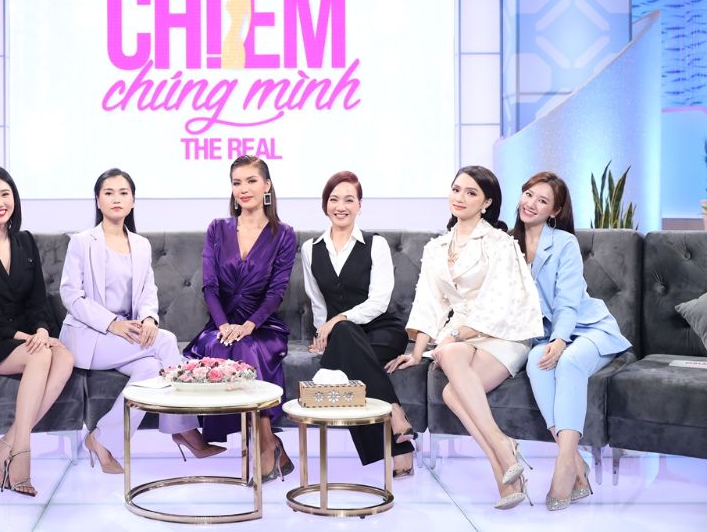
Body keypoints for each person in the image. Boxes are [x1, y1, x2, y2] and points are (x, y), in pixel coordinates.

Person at [386, 166, 543, 509]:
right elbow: (429, 303)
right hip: (461, 337)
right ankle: (503, 454)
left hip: (502, 333)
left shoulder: (500, 243)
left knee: (450, 386)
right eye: (456, 189)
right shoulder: (436, 247)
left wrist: (455, 333)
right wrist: (418, 352)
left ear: (486, 202)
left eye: (471, 193)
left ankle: (501, 457)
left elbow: (500, 303)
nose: (460, 197)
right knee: (450, 354)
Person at [59, 168, 224, 473]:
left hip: (125, 334)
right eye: (109, 193)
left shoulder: (140, 244)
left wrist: (148, 319)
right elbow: (71, 295)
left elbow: (148, 290)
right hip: (89, 335)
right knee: (167, 341)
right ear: (97, 200)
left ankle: (102, 440)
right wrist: (112, 323)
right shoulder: (82, 242)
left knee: (149, 369)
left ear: (133, 200)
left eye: (123, 193)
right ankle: (184, 428)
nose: (116, 199)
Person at [0, 167, 75, 497]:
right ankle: (21, 455)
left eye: (5, 194)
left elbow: (37, 300)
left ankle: (3, 446)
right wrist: (25, 337)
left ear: (14, 199)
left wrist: (42, 329)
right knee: (40, 356)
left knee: (64, 357)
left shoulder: (25, 241)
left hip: (23, 335)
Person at [512, 171, 630, 511]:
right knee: (536, 363)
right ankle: (577, 462)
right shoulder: (508, 244)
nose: (531, 203)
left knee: (570, 362)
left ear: (554, 211)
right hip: (545, 333)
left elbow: (567, 302)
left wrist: (562, 339)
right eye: (529, 194)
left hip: (587, 327)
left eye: (542, 200)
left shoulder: (564, 243)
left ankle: (564, 466)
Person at [183, 155, 296, 483]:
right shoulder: (217, 228)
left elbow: (276, 292)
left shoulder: (284, 234)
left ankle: (263, 443)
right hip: (221, 323)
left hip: (261, 324)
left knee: (248, 347)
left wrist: (248, 325)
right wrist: (223, 325)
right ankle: (269, 445)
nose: (243, 189)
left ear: (267, 185)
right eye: (237, 182)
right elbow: (209, 287)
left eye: (251, 181)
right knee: (219, 347)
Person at [301, 171, 416, 478]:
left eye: (349, 200)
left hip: (382, 330)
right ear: (325, 204)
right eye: (334, 199)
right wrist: (323, 332)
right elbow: (317, 300)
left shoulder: (376, 244)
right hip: (341, 336)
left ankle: (395, 438)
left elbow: (379, 300)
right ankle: (396, 420)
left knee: (345, 345)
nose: (341, 206)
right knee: (345, 341)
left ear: (360, 205)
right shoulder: (310, 249)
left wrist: (337, 320)